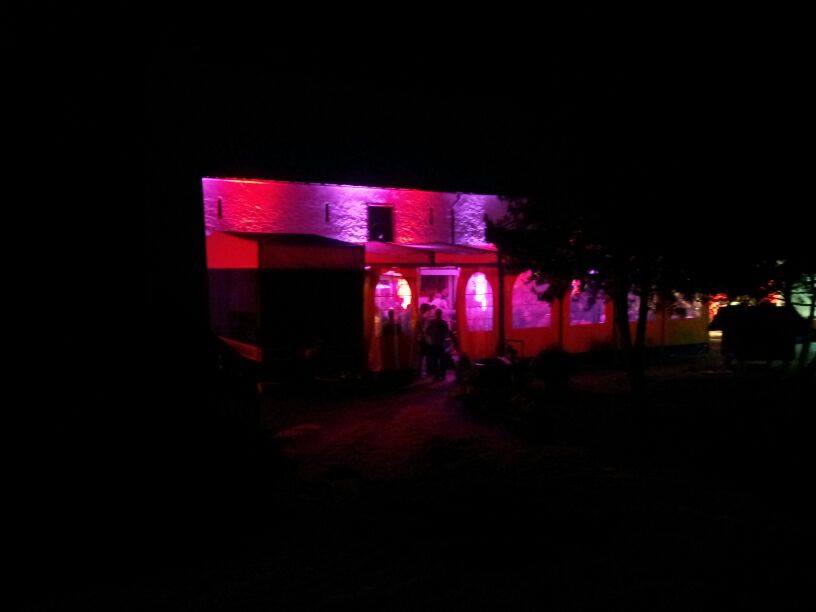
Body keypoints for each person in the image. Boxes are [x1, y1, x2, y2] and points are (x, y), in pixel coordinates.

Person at [425, 308, 450, 380]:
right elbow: (447, 333)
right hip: (441, 343)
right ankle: (442, 375)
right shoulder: (443, 323)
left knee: (435, 360)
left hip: (434, 343)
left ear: (435, 314)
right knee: (442, 360)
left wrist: (430, 339)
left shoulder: (432, 322)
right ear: (441, 314)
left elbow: (427, 332)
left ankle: (436, 375)